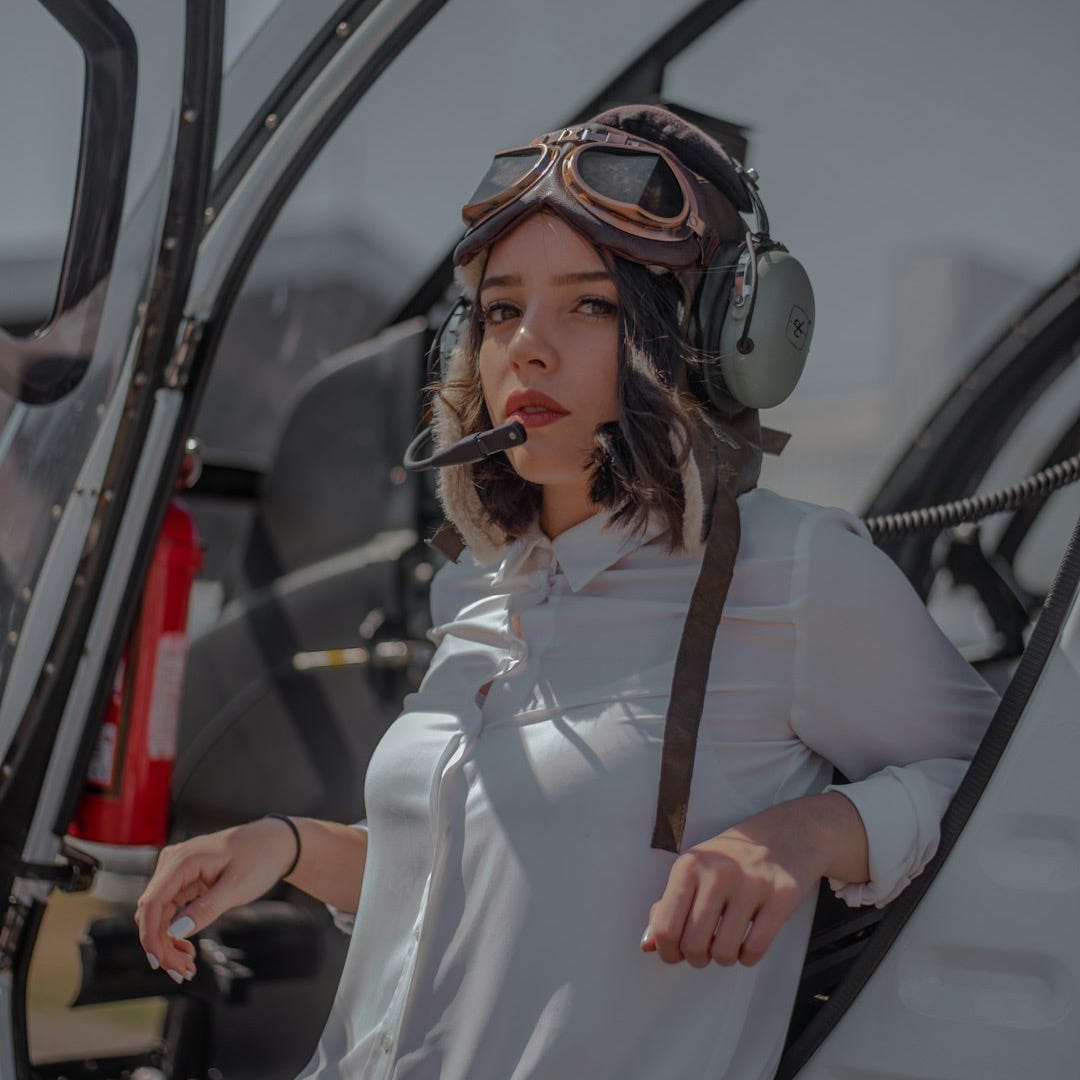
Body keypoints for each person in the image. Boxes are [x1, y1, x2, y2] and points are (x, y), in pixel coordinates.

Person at [135, 105, 998, 1079]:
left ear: (713, 336)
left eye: (591, 304)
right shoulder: (488, 584)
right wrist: (285, 847)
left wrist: (813, 831)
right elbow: (473, 886)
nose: (528, 349)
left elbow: (1017, 789)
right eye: (502, 310)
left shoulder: (793, 573)